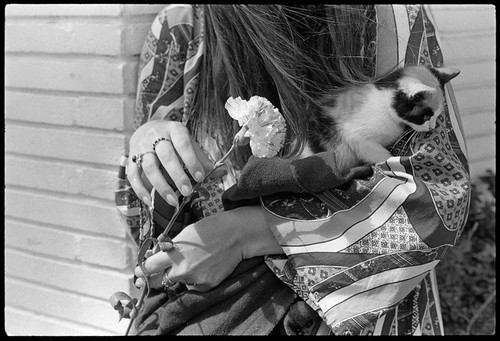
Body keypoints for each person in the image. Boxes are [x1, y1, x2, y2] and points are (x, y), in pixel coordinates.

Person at [115, 4, 470, 335]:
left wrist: (246, 233)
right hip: (215, 314)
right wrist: (147, 149)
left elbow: (442, 196)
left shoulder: (389, 19)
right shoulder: (183, 29)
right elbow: (148, 227)